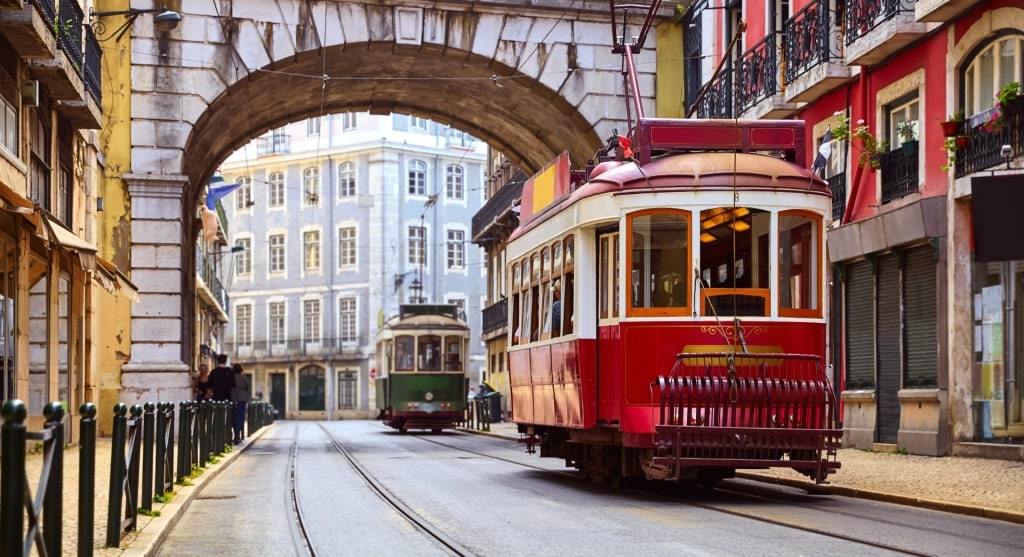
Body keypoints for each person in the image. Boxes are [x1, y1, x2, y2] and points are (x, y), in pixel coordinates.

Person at [229, 363, 252, 444]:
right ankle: (237, 436)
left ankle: (231, 436)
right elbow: (247, 387)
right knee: (239, 418)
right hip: (241, 400)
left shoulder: (230, 377)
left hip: (232, 399)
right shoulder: (243, 378)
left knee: (232, 418)